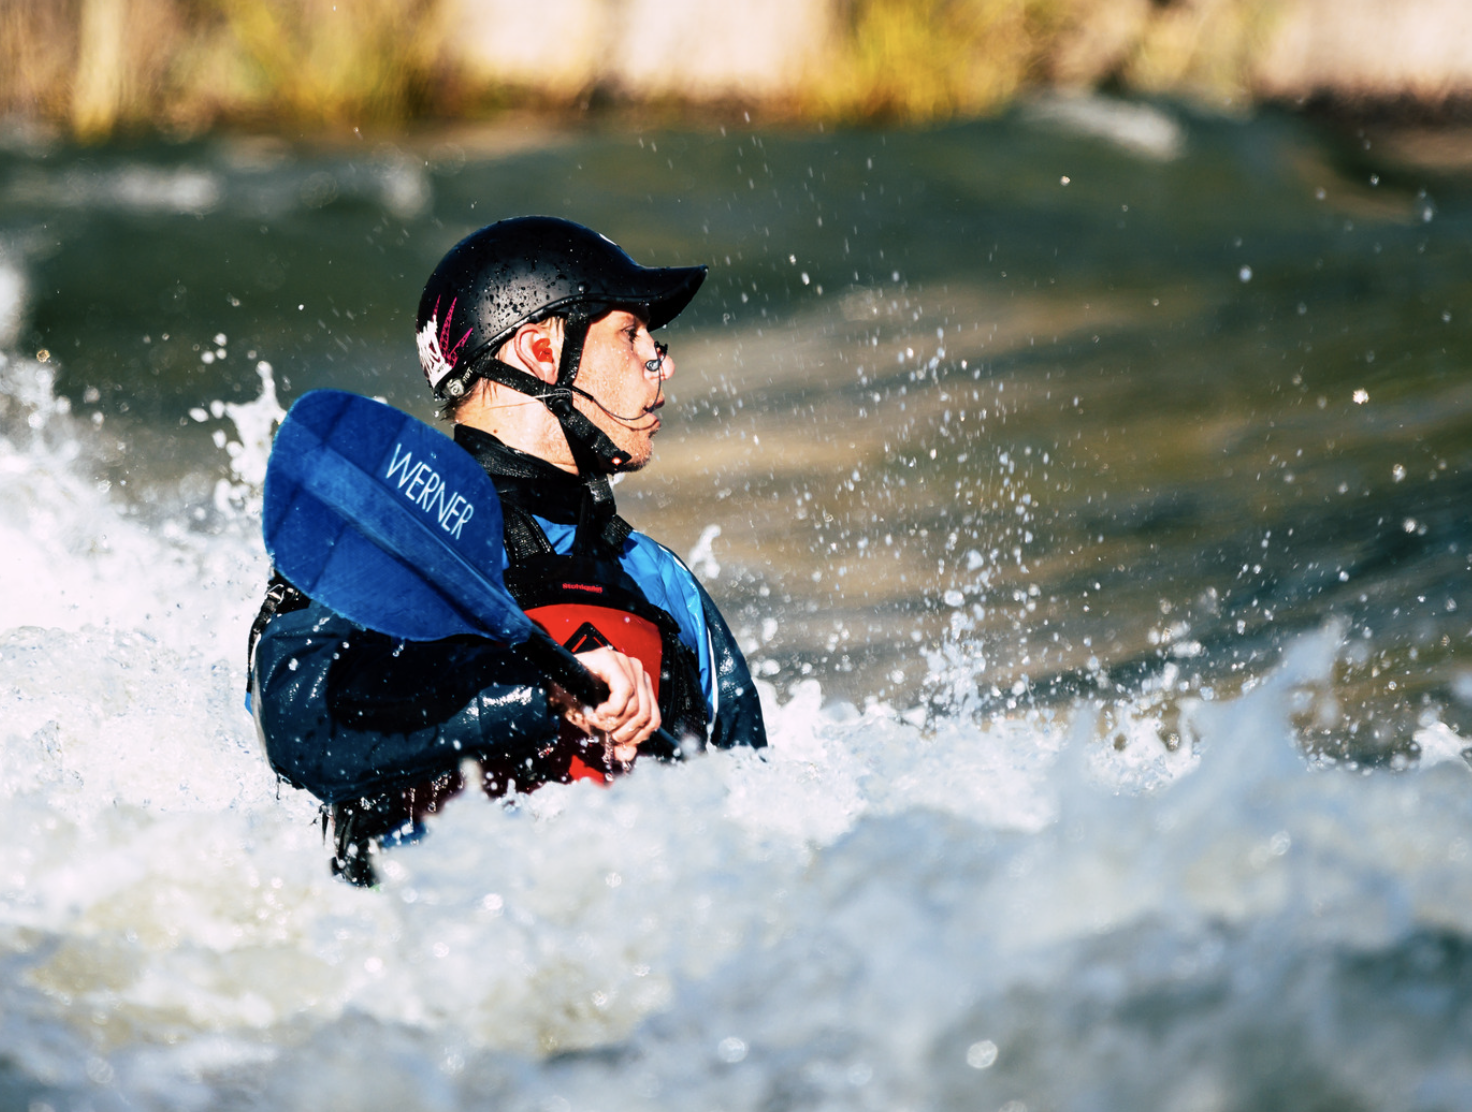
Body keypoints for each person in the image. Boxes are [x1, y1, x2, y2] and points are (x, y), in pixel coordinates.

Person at [248, 216, 767, 885]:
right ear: (541, 351)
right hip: (413, 950)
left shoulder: (662, 582)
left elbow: (757, 813)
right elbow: (297, 729)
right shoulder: (382, 530)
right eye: (629, 334)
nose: (660, 362)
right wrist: (539, 695)